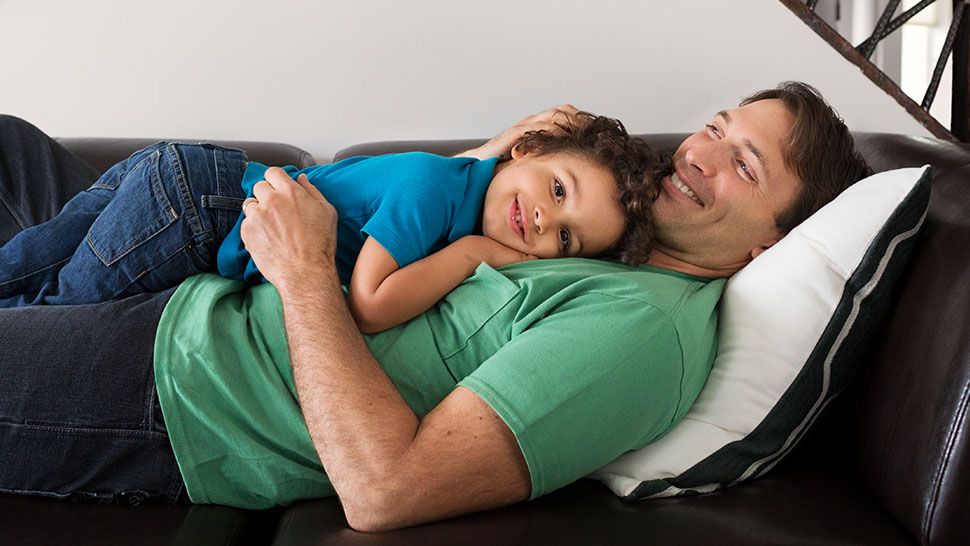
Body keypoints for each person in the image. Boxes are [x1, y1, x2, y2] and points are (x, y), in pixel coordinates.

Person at [0, 81, 871, 531]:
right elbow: (441, 203)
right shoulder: (617, 240)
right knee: (19, 152)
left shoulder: (645, 332)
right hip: (211, 277)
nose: (701, 154)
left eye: (745, 165)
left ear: (772, 245)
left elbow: (389, 491)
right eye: (717, 126)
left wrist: (305, 272)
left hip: (187, 386)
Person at [0, 113, 662, 334]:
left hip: (176, 176)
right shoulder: (437, 196)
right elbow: (370, 306)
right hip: (195, 215)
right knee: (56, 311)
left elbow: (478, 174)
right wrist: (474, 258)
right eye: (556, 188)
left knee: (26, 265)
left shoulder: (458, 183)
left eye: (567, 238)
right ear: (525, 149)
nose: (545, 221)